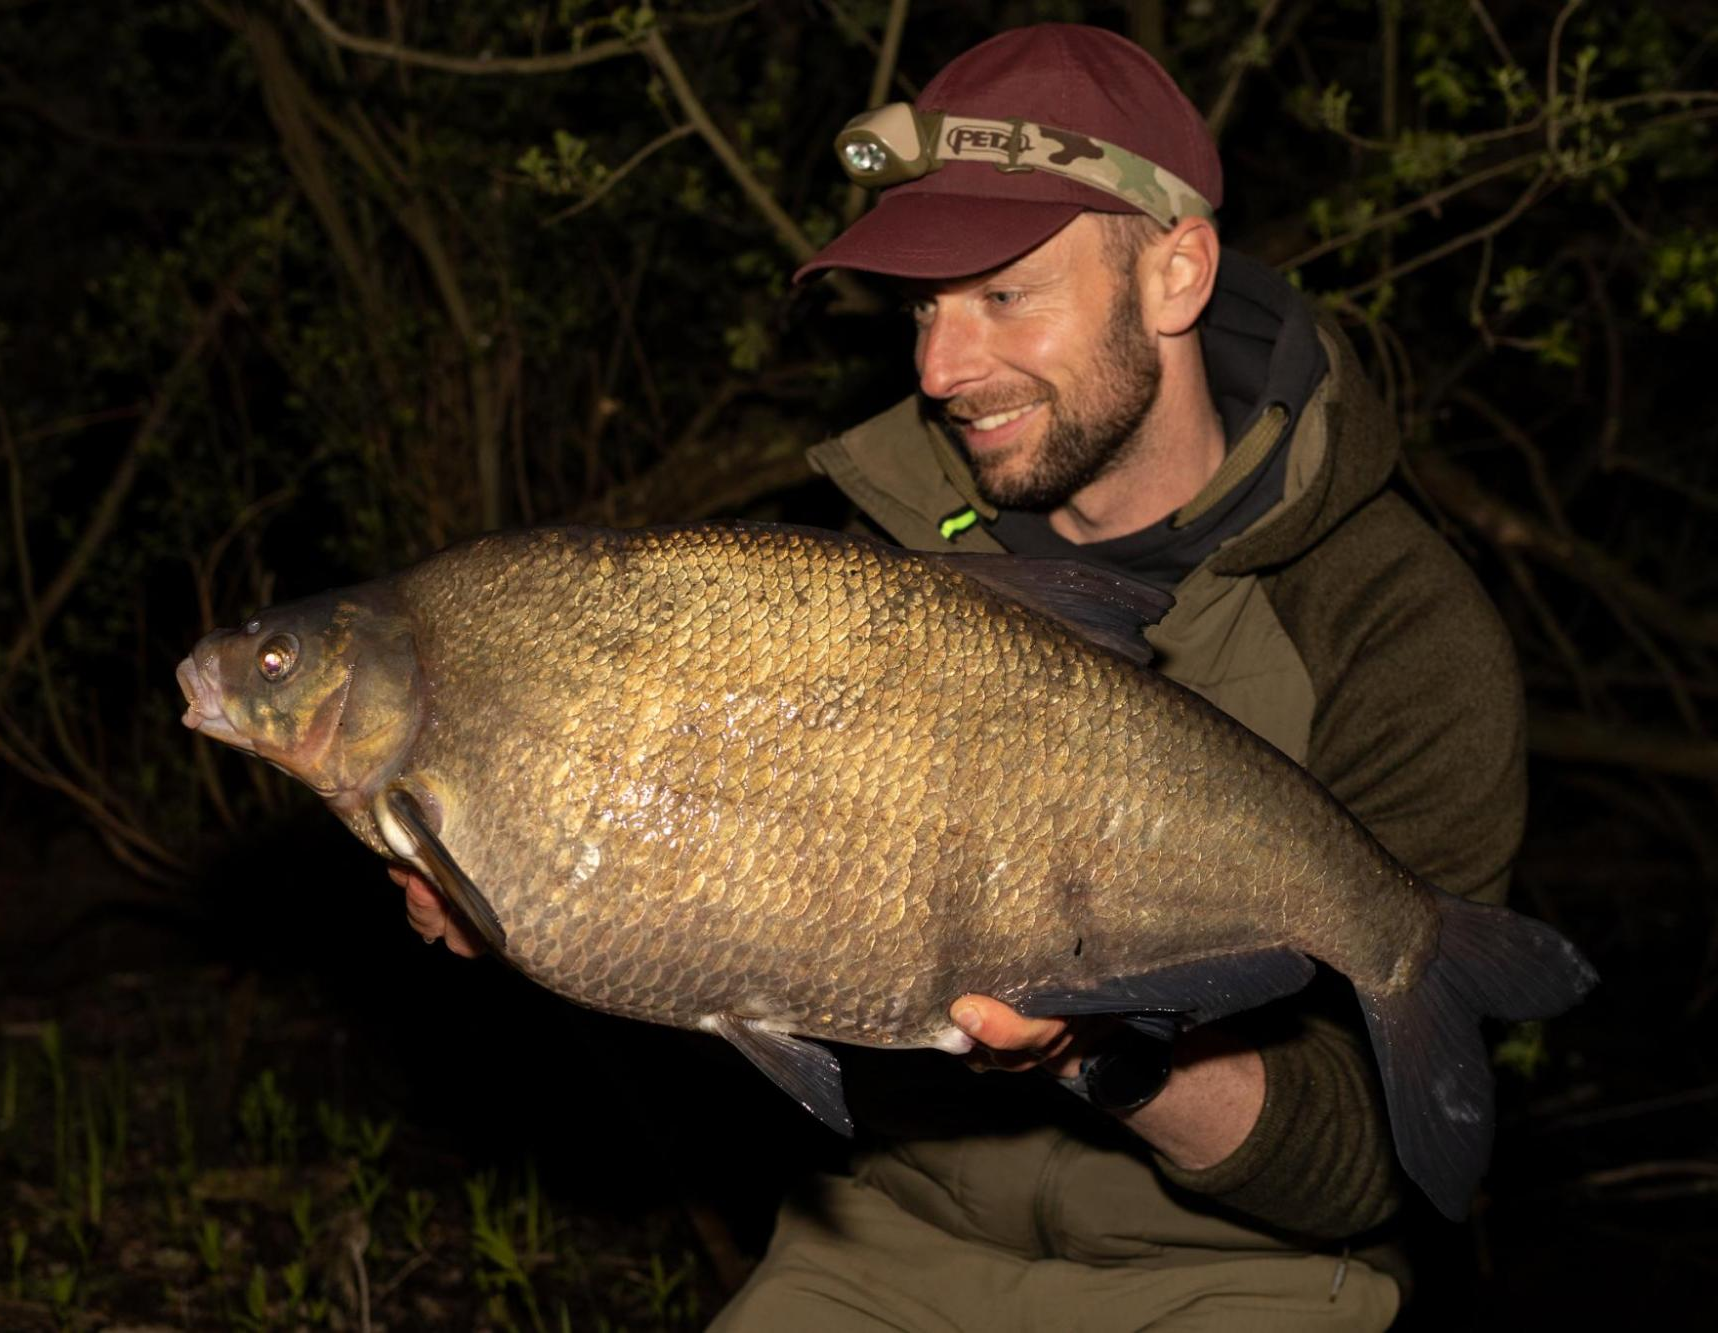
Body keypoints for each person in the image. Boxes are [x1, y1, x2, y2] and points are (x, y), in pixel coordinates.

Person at [403, 23, 1526, 1331]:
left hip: (1238, 1272)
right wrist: (547, 878)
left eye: (1003, 295)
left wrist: (1102, 1052)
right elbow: (762, 952)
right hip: (888, 1242)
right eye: (924, 308)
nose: (941, 369)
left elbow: (1362, 1170)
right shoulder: (858, 575)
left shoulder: (1398, 629)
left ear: (1175, 274)